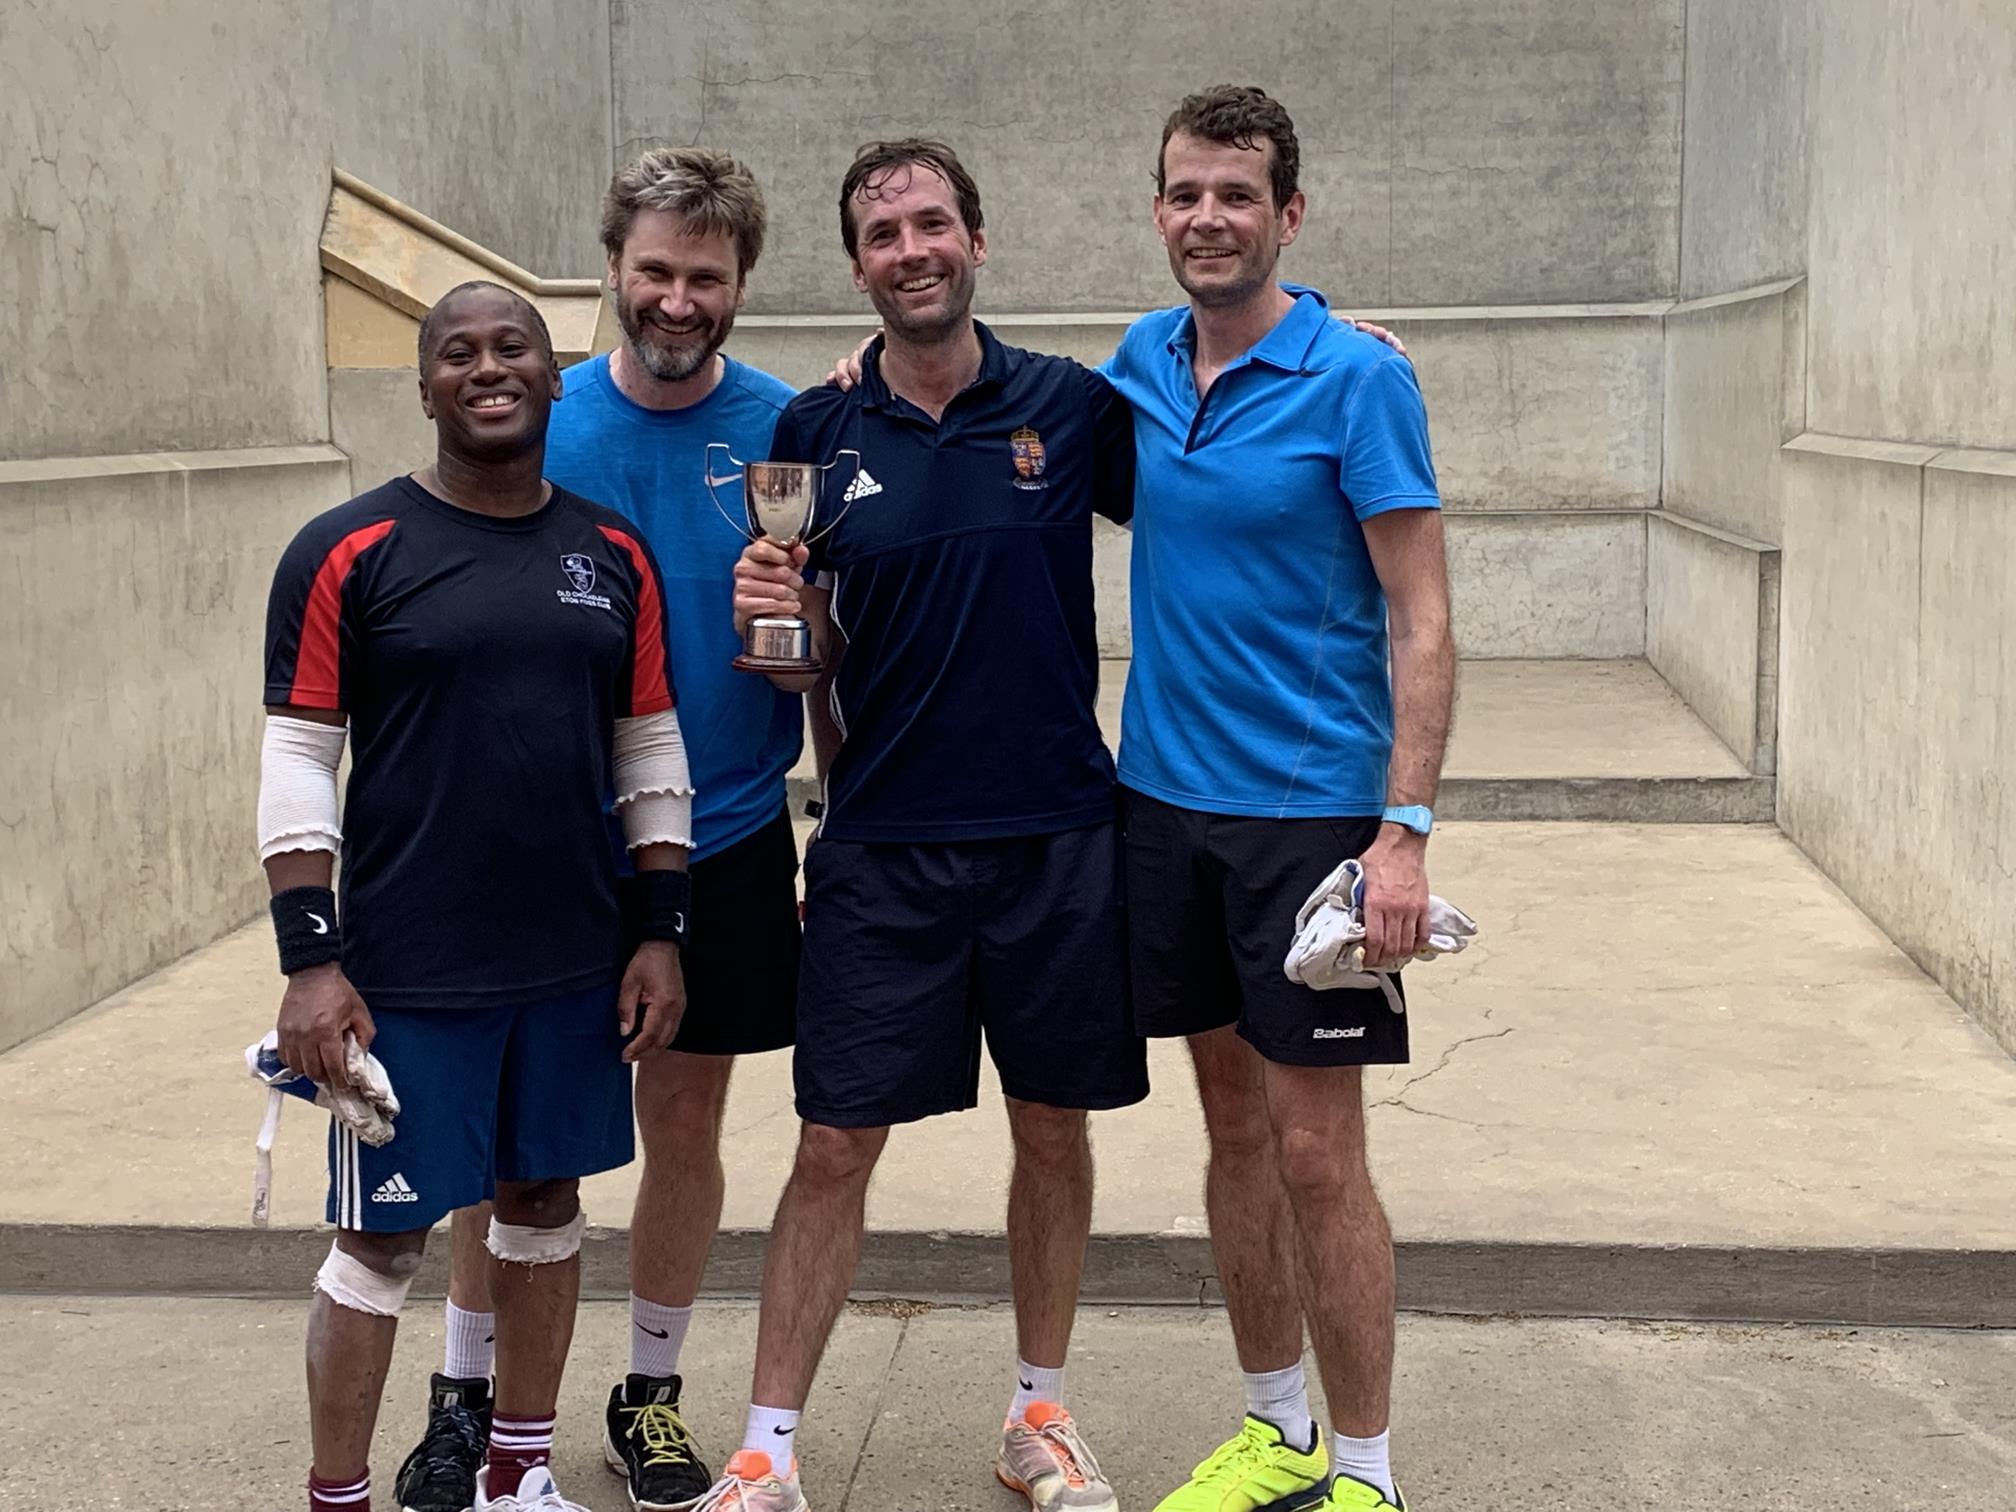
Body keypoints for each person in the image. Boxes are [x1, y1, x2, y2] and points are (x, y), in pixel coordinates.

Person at [702, 138, 1146, 1512]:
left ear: (977, 240)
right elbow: (808, 651)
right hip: (882, 846)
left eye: (933, 223)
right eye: (885, 234)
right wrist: (780, 624)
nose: (913, 249)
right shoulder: (818, 439)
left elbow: (1218, 430)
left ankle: (1039, 1419)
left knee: (1054, 1130)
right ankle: (768, 1449)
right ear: (858, 267)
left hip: (1059, 837)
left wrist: (1328, 332)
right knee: (832, 1142)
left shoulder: (1072, 408)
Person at [390, 149, 804, 1512]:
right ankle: (467, 1396)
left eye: (706, 275)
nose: (678, 298)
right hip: (544, 844)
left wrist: (799, 653)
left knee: (683, 1123)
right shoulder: (539, 415)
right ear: (612, 270)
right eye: (655, 270)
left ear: (739, 284)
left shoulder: (789, 432)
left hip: (726, 834)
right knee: (511, 1142)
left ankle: (653, 1396)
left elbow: (836, 636)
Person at [259, 280, 694, 1512]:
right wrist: (311, 960)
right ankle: (335, 1495)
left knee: (544, 1206)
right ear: (426, 384)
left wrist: (659, 933)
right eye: (459, 351)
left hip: (570, 961)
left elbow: (649, 750)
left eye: (514, 347)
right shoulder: (348, 549)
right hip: (403, 973)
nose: (487, 367)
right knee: (380, 1244)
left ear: (557, 377)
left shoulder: (611, 554)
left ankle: (519, 1476)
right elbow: (299, 756)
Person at [1107, 87, 1454, 1512]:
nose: (1208, 218)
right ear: (1159, 208)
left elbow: (1423, 620)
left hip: (1311, 826)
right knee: (1232, 1129)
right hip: (1162, 811)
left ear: (1287, 215)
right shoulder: (1138, 361)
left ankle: (1366, 1475)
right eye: (1186, 193)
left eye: (1237, 195)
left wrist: (1403, 833)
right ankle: (1276, 1433)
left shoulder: (1359, 380)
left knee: (1320, 1152)